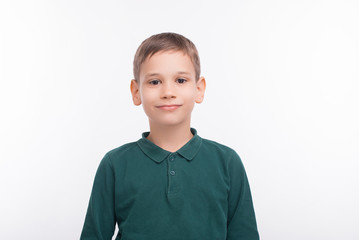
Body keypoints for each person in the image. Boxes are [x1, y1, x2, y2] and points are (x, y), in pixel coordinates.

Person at [80, 32, 259, 240]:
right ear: (136, 92)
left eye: (180, 80)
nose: (168, 92)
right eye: (155, 82)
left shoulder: (227, 162)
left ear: (199, 89)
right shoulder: (115, 164)